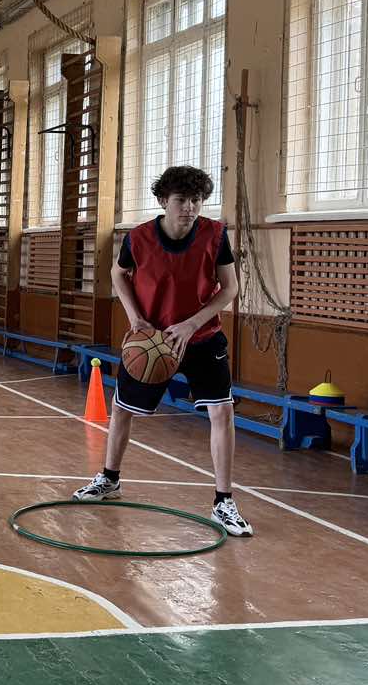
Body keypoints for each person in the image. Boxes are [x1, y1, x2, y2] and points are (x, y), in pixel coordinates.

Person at [73, 166, 252, 536]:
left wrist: (192, 324)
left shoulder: (215, 234)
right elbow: (117, 274)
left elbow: (230, 287)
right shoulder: (138, 238)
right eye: (181, 200)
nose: (190, 207)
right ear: (162, 201)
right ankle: (109, 479)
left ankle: (224, 501)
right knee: (122, 409)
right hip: (152, 340)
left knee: (222, 411)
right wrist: (134, 317)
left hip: (201, 338)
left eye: (196, 200)